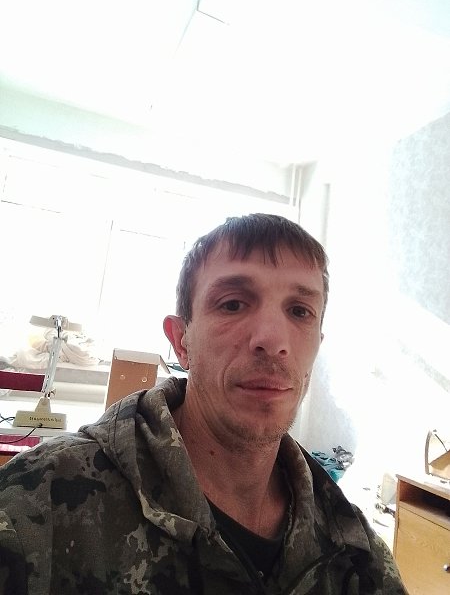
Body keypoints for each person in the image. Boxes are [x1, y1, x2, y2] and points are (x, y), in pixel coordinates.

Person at [0, 213, 406, 594]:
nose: (273, 340)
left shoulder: (356, 552)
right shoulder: (35, 504)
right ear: (181, 341)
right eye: (233, 303)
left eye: (300, 311)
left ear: (317, 343)